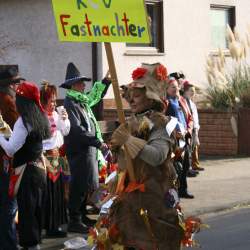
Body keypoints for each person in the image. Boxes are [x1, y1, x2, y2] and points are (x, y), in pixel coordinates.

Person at [106, 63, 183, 250]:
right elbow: (122, 163)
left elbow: (157, 156)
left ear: (150, 99)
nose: (131, 101)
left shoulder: (160, 123)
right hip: (128, 202)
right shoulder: (130, 123)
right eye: (129, 97)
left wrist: (129, 141)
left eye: (137, 96)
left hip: (153, 201)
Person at [60, 62, 111, 233]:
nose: (84, 85)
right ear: (74, 85)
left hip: (87, 151)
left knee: (85, 185)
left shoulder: (81, 101)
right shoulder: (71, 103)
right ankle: (74, 219)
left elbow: (95, 96)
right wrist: (96, 141)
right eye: (81, 83)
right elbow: (76, 130)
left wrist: (106, 81)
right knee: (78, 186)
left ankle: (81, 215)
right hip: (79, 151)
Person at [0, 81, 50, 250]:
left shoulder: (23, 121)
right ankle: (35, 244)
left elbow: (11, 149)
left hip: (26, 172)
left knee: (27, 212)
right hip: (39, 169)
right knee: (35, 210)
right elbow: (22, 140)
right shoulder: (39, 116)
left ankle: (31, 245)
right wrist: (4, 131)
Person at [40, 81, 71, 238]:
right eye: (50, 100)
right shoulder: (40, 116)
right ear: (43, 101)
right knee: (49, 194)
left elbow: (65, 131)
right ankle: (47, 226)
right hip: (46, 158)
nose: (53, 104)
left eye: (54, 100)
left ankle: (55, 225)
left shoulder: (55, 114)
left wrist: (64, 119)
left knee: (58, 193)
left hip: (57, 157)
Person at [0, 66, 23, 250]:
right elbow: (11, 132)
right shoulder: (7, 102)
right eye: (16, 83)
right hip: (4, 162)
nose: (18, 86)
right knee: (8, 207)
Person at [165, 78, 195, 199]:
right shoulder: (165, 102)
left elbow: (189, 118)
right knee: (177, 167)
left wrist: (189, 130)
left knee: (186, 165)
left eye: (177, 86)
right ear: (166, 89)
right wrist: (175, 133)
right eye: (172, 87)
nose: (176, 89)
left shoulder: (181, 100)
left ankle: (183, 190)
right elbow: (164, 121)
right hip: (174, 140)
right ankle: (174, 192)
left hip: (185, 137)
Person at [182, 81, 204, 171]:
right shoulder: (182, 101)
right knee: (186, 147)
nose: (193, 92)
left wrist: (196, 127)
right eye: (191, 90)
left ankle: (194, 164)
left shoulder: (192, 103)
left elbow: (195, 117)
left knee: (195, 145)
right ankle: (187, 166)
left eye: (194, 91)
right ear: (185, 91)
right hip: (186, 128)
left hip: (194, 128)